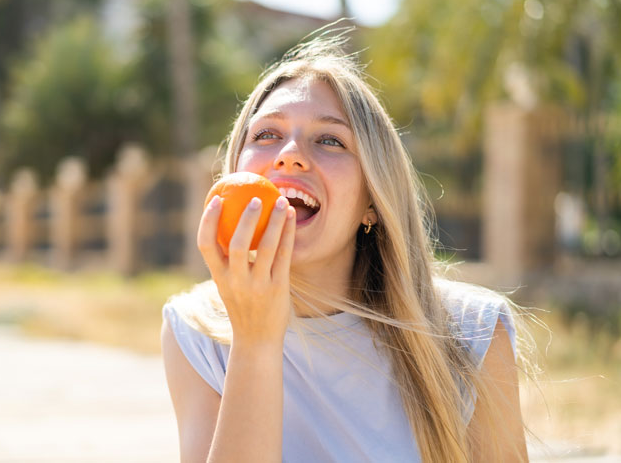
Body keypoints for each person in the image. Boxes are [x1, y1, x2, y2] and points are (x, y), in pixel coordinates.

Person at [161, 30, 531, 462]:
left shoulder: (472, 332)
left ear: (371, 201)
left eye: (330, 140)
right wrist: (255, 343)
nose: (290, 155)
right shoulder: (196, 333)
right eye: (265, 136)